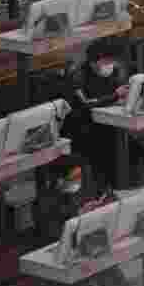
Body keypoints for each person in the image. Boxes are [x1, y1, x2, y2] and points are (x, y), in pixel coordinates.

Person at [61, 39, 130, 191]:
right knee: (105, 147)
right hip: (81, 128)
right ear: (94, 61)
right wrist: (114, 96)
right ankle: (103, 189)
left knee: (127, 143)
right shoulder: (77, 75)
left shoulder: (115, 70)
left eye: (113, 60)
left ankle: (118, 187)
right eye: (108, 60)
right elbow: (86, 104)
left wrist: (126, 95)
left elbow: (119, 90)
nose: (111, 63)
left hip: (106, 123)